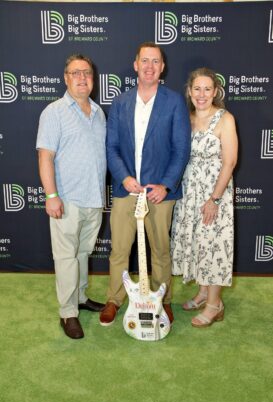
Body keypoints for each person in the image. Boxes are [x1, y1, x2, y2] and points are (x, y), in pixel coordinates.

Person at [100, 42, 191, 326]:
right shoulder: (119, 102)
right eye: (145, 61)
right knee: (119, 250)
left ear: (162, 67)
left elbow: (181, 149)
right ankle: (114, 299)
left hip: (159, 194)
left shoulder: (174, 101)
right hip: (127, 189)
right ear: (135, 64)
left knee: (161, 250)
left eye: (156, 61)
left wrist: (165, 185)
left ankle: (162, 300)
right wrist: (125, 177)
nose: (150, 66)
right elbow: (111, 147)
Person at [36, 54, 106, 339]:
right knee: (66, 257)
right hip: (67, 199)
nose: (81, 78)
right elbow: (45, 157)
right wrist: (51, 195)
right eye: (75, 73)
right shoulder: (53, 112)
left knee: (82, 253)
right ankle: (67, 313)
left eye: (86, 73)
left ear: (93, 78)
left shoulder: (99, 112)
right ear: (66, 78)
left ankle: (79, 298)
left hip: (94, 198)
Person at [171, 67, 238, 328]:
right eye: (196, 89)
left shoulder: (225, 119)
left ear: (215, 92)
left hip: (213, 193)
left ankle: (214, 305)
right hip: (188, 193)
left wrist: (215, 199)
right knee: (198, 244)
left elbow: (230, 162)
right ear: (189, 91)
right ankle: (202, 293)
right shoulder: (185, 118)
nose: (201, 94)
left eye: (207, 89)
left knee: (214, 246)